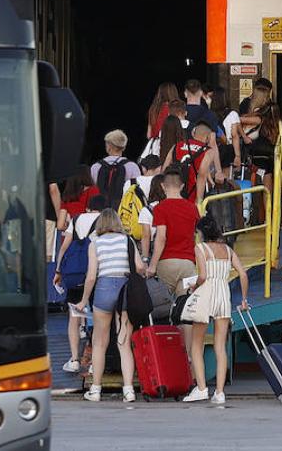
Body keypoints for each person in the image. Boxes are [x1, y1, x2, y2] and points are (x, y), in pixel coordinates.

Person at [70, 208, 147, 402]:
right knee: (124, 343)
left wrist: (84, 300)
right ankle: (128, 390)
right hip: (124, 291)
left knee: (99, 343)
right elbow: (139, 267)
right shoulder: (127, 240)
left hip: (104, 289)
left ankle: (95, 389)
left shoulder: (95, 243)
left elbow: (91, 276)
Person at [181, 215, 250, 404]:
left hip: (206, 293)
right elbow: (243, 274)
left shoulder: (200, 248)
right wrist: (243, 299)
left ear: (201, 232)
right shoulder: (228, 250)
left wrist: (192, 287)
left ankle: (202, 388)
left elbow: (202, 276)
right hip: (223, 294)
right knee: (220, 346)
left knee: (197, 344)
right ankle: (219, 392)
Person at [147, 165, 200, 355]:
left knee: (162, 311)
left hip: (166, 264)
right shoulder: (192, 208)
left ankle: (166, 354)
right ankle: (187, 357)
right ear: (183, 186)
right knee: (184, 312)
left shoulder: (160, 208)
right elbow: (196, 236)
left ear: (163, 186)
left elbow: (161, 238)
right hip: (188, 265)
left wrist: (152, 265)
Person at [52, 194, 106, 374]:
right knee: (98, 317)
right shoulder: (105, 220)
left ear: (88, 207)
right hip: (96, 273)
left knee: (74, 316)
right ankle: (94, 362)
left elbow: (65, 246)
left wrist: (59, 270)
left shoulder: (76, 219)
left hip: (74, 275)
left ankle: (74, 359)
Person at [90, 130, 141, 210]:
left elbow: (92, 190)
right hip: (123, 210)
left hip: (100, 210)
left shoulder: (96, 167)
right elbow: (136, 191)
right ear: (124, 147)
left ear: (108, 146)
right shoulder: (132, 167)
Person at [56, 166, 98, 232]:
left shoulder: (67, 196)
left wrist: (69, 225)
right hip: (89, 231)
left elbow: (60, 226)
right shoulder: (93, 190)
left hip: (73, 233)